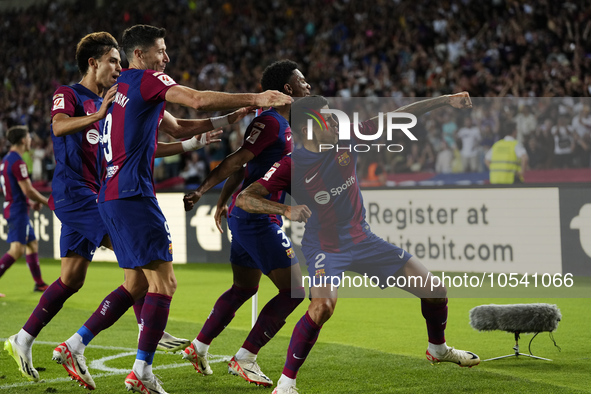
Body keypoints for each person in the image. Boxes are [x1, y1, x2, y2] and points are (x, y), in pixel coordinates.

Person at [54, 24, 291, 394]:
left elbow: (179, 127)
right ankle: (141, 372)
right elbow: (194, 99)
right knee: (165, 283)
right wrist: (259, 99)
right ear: (140, 55)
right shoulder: (148, 80)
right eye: (161, 51)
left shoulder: (120, 91)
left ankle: (74, 345)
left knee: (136, 283)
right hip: (134, 195)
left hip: (111, 195)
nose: (166, 58)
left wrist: (225, 120)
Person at [3, 31, 234, 386]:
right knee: (142, 268)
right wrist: (99, 114)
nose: (118, 67)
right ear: (93, 63)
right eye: (112, 60)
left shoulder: (119, 98)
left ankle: (23, 338)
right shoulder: (72, 95)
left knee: (71, 279)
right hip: (75, 194)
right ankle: (146, 331)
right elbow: (59, 126)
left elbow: (149, 143)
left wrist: (196, 140)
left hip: (96, 194)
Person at [236, 94, 480, 394]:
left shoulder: (347, 137)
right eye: (326, 117)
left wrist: (445, 101)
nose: (335, 120)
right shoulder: (290, 164)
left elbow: (397, 117)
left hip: (363, 239)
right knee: (322, 306)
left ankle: (438, 349)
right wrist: (286, 210)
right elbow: (246, 197)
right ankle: (286, 385)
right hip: (325, 247)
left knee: (435, 290)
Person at [182, 59, 310, 387]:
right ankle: (245, 357)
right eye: (302, 81)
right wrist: (201, 190)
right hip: (257, 218)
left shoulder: (274, 123)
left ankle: (198, 347)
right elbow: (235, 160)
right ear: (287, 90)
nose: (308, 86)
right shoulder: (272, 123)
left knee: (244, 288)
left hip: (246, 215)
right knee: (294, 291)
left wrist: (221, 201)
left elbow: (243, 166)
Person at [0, 126, 49, 293]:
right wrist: (46, 201)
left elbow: (16, 188)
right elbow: (27, 189)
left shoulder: (7, 159)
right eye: (28, 137)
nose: (30, 140)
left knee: (32, 244)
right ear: (22, 140)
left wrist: (30, 202)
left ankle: (39, 283)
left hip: (17, 206)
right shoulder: (17, 161)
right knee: (17, 249)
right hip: (17, 210)